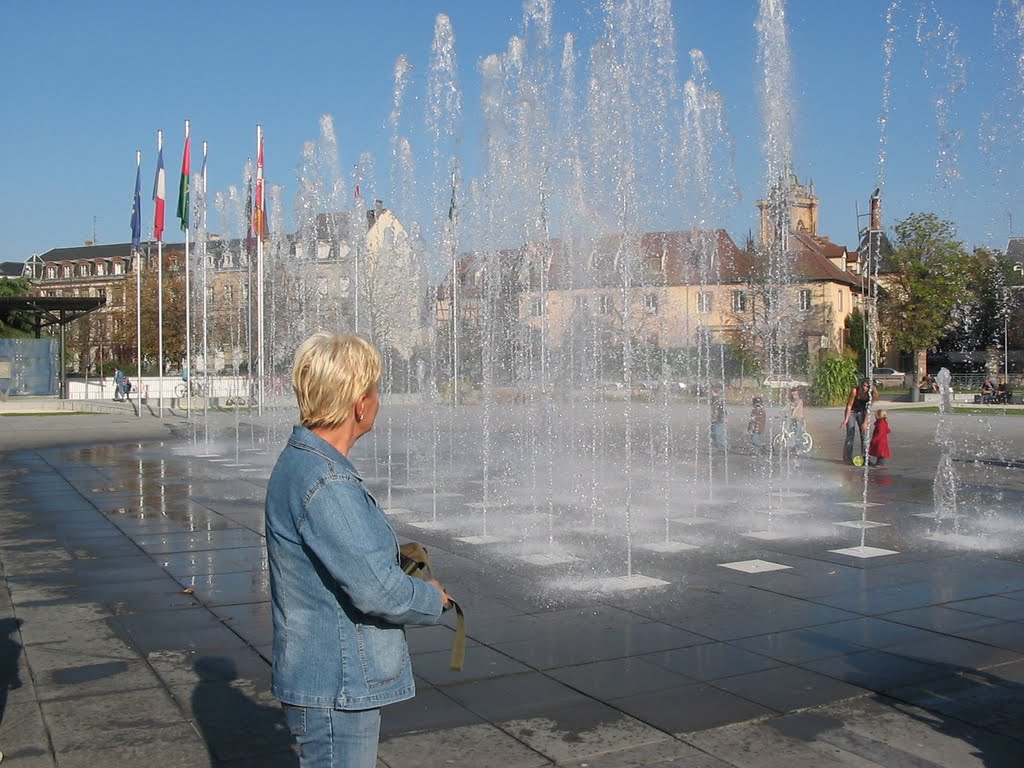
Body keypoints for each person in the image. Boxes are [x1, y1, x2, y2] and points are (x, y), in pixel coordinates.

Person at [264, 332, 448, 767]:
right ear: (359, 404)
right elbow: (377, 592)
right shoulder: (327, 482)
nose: (377, 401)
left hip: (325, 673)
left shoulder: (304, 462)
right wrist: (432, 599)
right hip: (337, 682)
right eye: (374, 390)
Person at [841, 377, 877, 464]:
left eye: (867, 386)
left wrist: (865, 422)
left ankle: (865, 458)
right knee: (850, 434)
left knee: (864, 435)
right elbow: (849, 406)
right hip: (852, 412)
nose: (865, 388)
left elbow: (868, 410)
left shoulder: (872, 394)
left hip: (863, 412)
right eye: (863, 385)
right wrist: (846, 419)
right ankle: (847, 458)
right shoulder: (855, 391)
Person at [710, 384, 728, 452]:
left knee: (718, 434)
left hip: (719, 420)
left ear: (713, 392)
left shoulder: (717, 400)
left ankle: (727, 446)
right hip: (716, 420)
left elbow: (721, 410)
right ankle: (716, 447)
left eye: (711, 391)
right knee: (713, 434)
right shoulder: (714, 400)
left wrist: (725, 417)